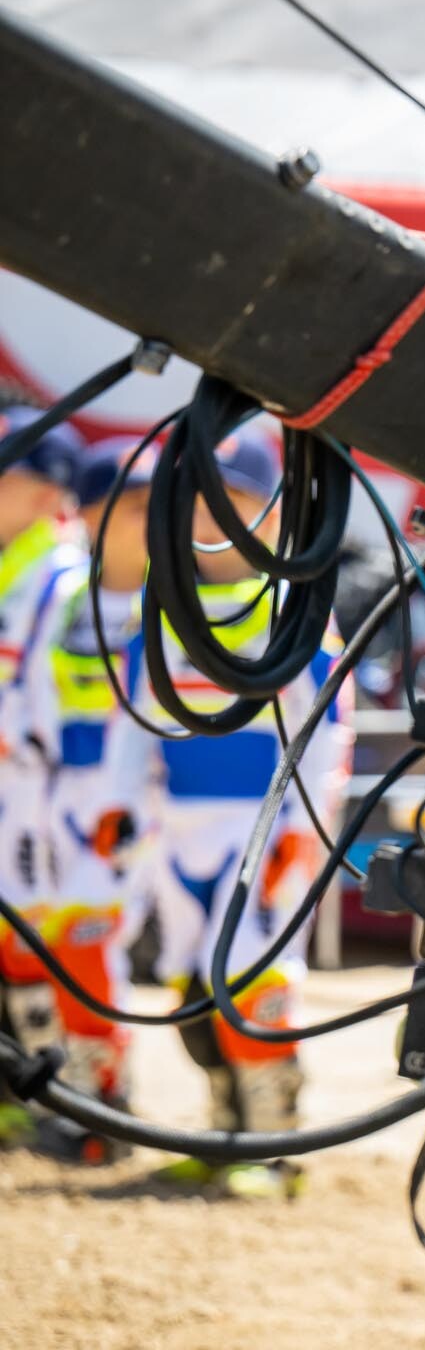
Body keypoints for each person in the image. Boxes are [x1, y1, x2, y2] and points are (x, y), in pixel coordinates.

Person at [116, 426, 353, 1198]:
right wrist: (124, 813)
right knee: (187, 985)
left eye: (236, 501)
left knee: (253, 980)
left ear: (271, 512)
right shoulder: (167, 597)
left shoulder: (296, 608)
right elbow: (134, 717)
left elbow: (325, 737)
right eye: (201, 503)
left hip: (257, 829)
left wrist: (300, 836)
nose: (213, 522)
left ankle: (275, 1147)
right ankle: (223, 1131)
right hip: (175, 827)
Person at [19, 434, 155, 1164]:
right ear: (94, 513)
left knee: (89, 946)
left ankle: (107, 1105)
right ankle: (63, 1097)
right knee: (42, 943)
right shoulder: (60, 589)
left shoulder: (172, 604)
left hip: (129, 808)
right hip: (52, 798)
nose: (147, 519)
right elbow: (30, 685)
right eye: (131, 505)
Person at [0, 407, 85, 1147]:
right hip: (14, 792)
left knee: (40, 944)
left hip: (43, 795)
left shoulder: (63, 575)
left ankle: (67, 1103)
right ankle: (22, 1098)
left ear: (41, 491)